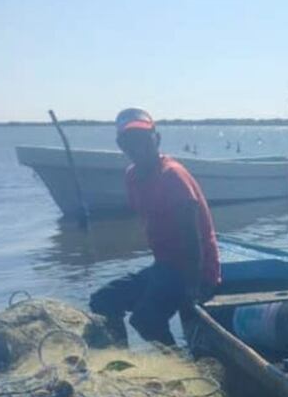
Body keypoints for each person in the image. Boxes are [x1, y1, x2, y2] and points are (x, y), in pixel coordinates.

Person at [90, 108, 221, 346]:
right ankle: (121, 360)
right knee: (103, 300)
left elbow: (194, 239)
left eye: (143, 138)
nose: (137, 145)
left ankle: (178, 368)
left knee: (145, 319)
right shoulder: (132, 177)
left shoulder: (172, 176)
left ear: (156, 139)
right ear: (121, 145)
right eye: (130, 140)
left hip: (195, 270)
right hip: (164, 268)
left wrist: (194, 287)